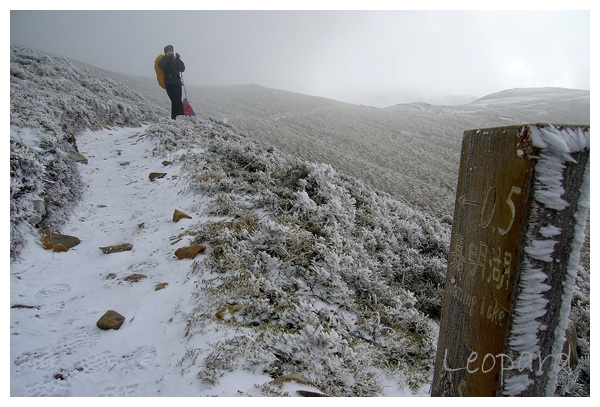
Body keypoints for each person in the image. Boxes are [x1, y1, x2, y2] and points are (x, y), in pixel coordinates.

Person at [158, 45, 186, 119]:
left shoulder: (175, 60)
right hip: (170, 82)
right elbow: (160, 65)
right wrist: (166, 57)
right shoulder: (164, 59)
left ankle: (175, 118)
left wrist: (178, 60)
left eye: (171, 50)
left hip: (177, 82)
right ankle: (180, 117)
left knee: (177, 101)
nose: (171, 52)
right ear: (166, 52)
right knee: (176, 101)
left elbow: (182, 69)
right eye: (169, 51)